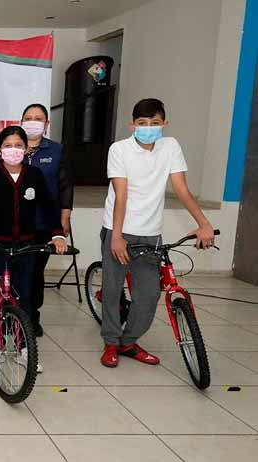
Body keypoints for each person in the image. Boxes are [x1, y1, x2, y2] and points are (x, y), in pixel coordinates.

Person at [99, 98, 215, 368]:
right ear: (132, 125)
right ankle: (110, 342)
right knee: (113, 290)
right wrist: (117, 237)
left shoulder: (170, 146)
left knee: (149, 294)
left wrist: (204, 223)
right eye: (142, 123)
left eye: (154, 123)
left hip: (151, 233)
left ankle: (128, 341)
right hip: (118, 228)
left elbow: (181, 189)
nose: (148, 128)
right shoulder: (120, 149)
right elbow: (121, 195)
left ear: (165, 124)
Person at [0, 125, 68, 373]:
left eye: (18, 145)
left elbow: (49, 207)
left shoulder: (34, 175)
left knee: (23, 298)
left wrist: (57, 234)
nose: (13, 150)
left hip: (27, 246)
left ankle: (22, 349)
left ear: (26, 149)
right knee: (1, 298)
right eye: (8, 146)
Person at [0, 104, 73, 336]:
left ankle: (31, 317)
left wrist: (64, 218)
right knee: (6, 274)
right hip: (10, 226)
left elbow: (65, 185)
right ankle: (5, 316)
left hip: (43, 225)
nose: (33, 121)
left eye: (39, 118)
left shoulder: (56, 150)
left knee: (34, 275)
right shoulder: (8, 147)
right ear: (21, 120)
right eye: (28, 117)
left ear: (46, 124)